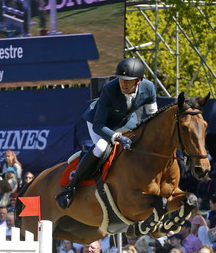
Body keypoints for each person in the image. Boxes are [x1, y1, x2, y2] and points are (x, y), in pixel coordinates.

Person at [56, 58, 157, 209]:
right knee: (102, 147)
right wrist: (117, 137)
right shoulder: (110, 89)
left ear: (139, 80)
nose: (123, 83)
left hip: (125, 120)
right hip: (99, 121)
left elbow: (153, 116)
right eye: (121, 79)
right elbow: (98, 125)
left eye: (127, 80)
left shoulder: (148, 88)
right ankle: (71, 187)